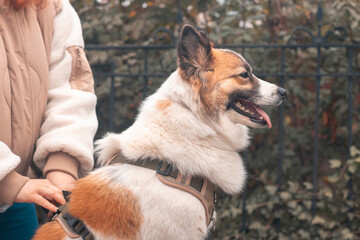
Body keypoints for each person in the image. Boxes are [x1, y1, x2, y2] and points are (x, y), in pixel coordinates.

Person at [0, 0, 98, 239]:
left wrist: (62, 173)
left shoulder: (52, 7)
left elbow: (70, 92)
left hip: (15, 201)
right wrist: (9, 182)